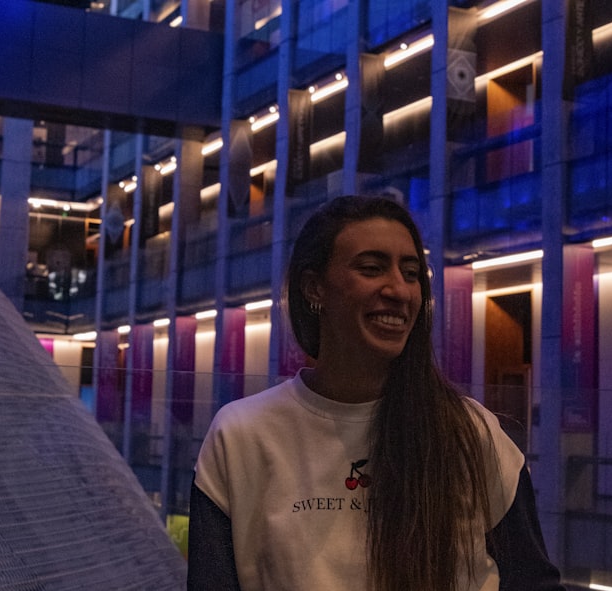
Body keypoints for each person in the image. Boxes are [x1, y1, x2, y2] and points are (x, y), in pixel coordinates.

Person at [188, 195, 564, 591]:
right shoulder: (241, 435)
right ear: (314, 287)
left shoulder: (470, 432)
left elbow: (533, 582)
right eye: (372, 268)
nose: (399, 290)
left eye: (412, 272)